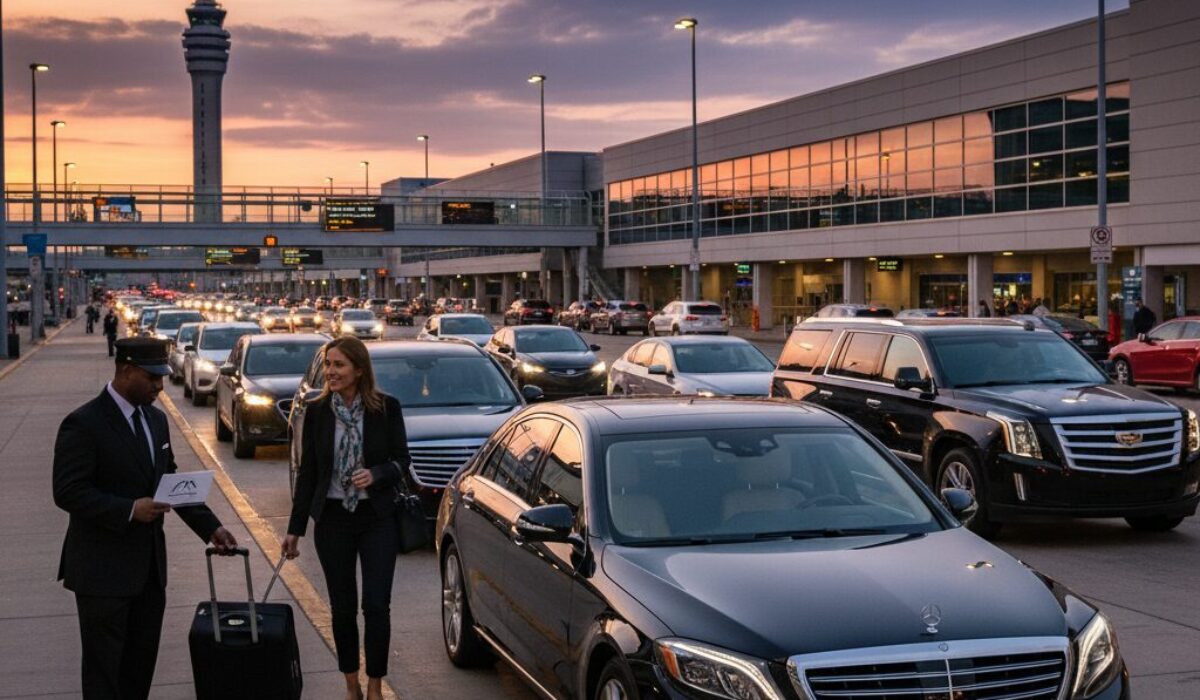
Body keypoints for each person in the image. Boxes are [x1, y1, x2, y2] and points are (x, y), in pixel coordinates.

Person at [52, 337, 238, 700]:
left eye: (162, 377)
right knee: (105, 676)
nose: (159, 386)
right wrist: (128, 510)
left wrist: (211, 527)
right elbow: (68, 491)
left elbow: (169, 483)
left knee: (138, 673)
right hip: (101, 575)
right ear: (125, 370)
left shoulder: (156, 421)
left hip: (149, 574)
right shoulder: (83, 423)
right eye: (151, 378)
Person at [282, 337, 410, 700]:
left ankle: (374, 684)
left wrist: (377, 474)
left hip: (375, 518)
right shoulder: (318, 411)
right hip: (333, 520)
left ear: (359, 369)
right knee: (342, 607)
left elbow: (403, 460)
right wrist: (294, 530)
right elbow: (308, 473)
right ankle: (351, 682)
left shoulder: (387, 408)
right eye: (328, 365)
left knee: (375, 605)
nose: (330, 372)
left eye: (338, 365)